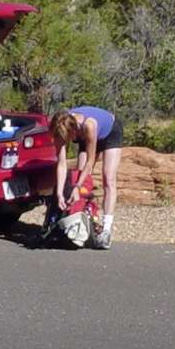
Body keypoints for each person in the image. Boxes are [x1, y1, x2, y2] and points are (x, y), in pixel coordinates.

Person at [48, 105, 123, 249]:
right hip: (83, 136)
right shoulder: (60, 127)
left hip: (110, 132)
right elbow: (62, 164)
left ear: (74, 131)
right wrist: (59, 193)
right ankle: (79, 222)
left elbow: (90, 161)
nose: (67, 142)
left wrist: (77, 187)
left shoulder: (89, 125)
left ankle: (106, 230)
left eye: (68, 139)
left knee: (109, 177)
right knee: (80, 177)